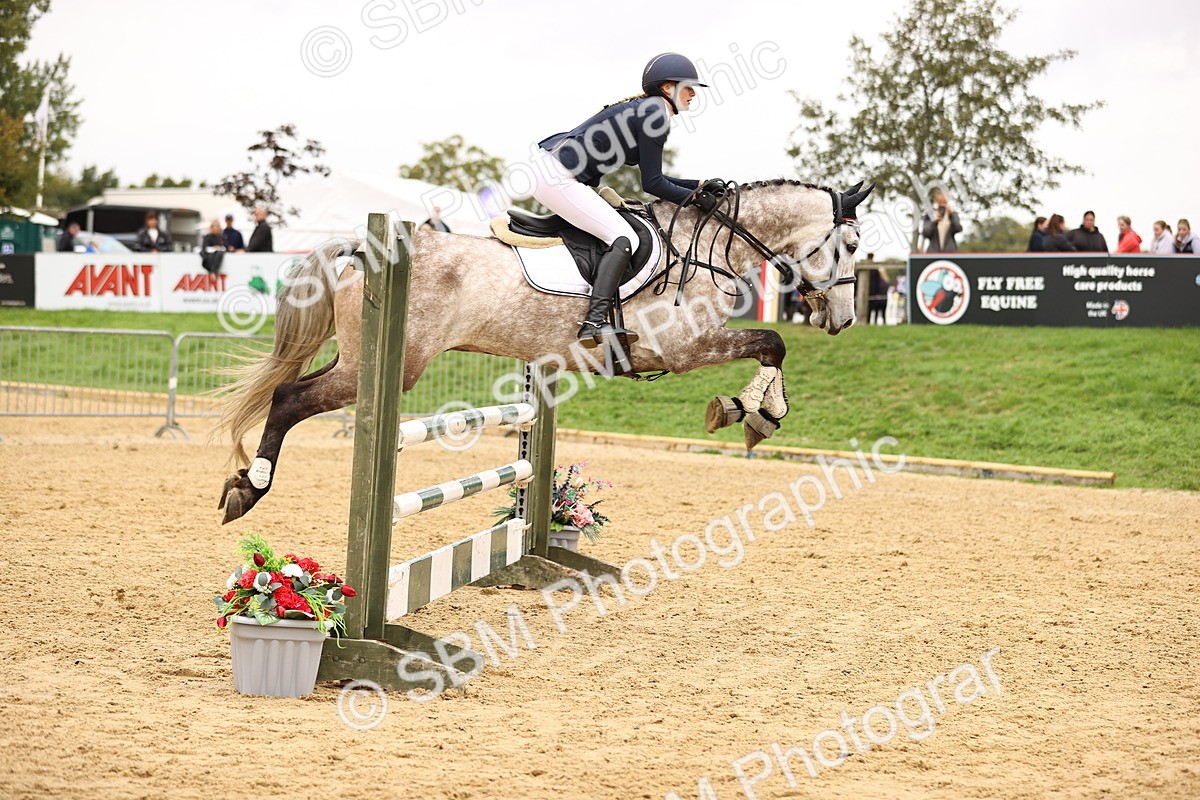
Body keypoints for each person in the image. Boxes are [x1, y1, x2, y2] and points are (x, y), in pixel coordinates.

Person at [531, 52, 711, 346]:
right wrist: (694, 198)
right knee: (624, 237)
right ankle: (593, 322)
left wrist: (699, 185)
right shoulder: (655, 115)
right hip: (559, 177)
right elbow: (653, 184)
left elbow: (658, 178)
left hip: (554, 171)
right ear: (668, 88)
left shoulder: (647, 108)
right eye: (688, 86)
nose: (693, 93)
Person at [866, 254, 889, 325]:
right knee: (881, 313)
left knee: (871, 311)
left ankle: (869, 322)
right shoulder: (875, 270)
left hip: (874, 294)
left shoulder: (872, 269)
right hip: (879, 296)